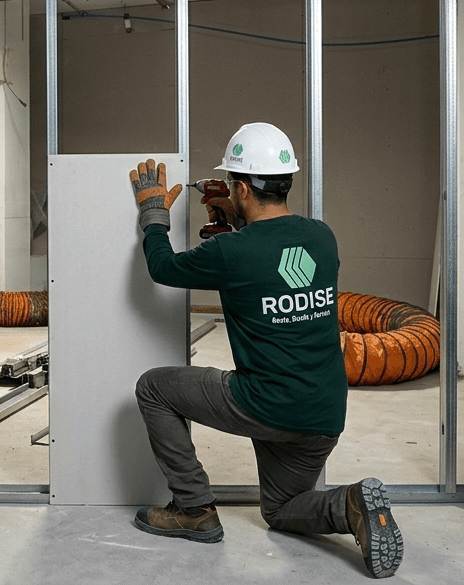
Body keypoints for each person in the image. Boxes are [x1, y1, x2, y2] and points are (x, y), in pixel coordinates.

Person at [127, 122, 403, 579]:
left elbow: (163, 267)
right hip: (324, 414)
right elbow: (270, 257)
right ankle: (350, 503)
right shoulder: (322, 237)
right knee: (281, 510)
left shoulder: (232, 251)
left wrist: (153, 213)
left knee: (153, 387)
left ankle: (193, 509)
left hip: (265, 405)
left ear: (240, 187)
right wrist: (232, 218)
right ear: (285, 181)